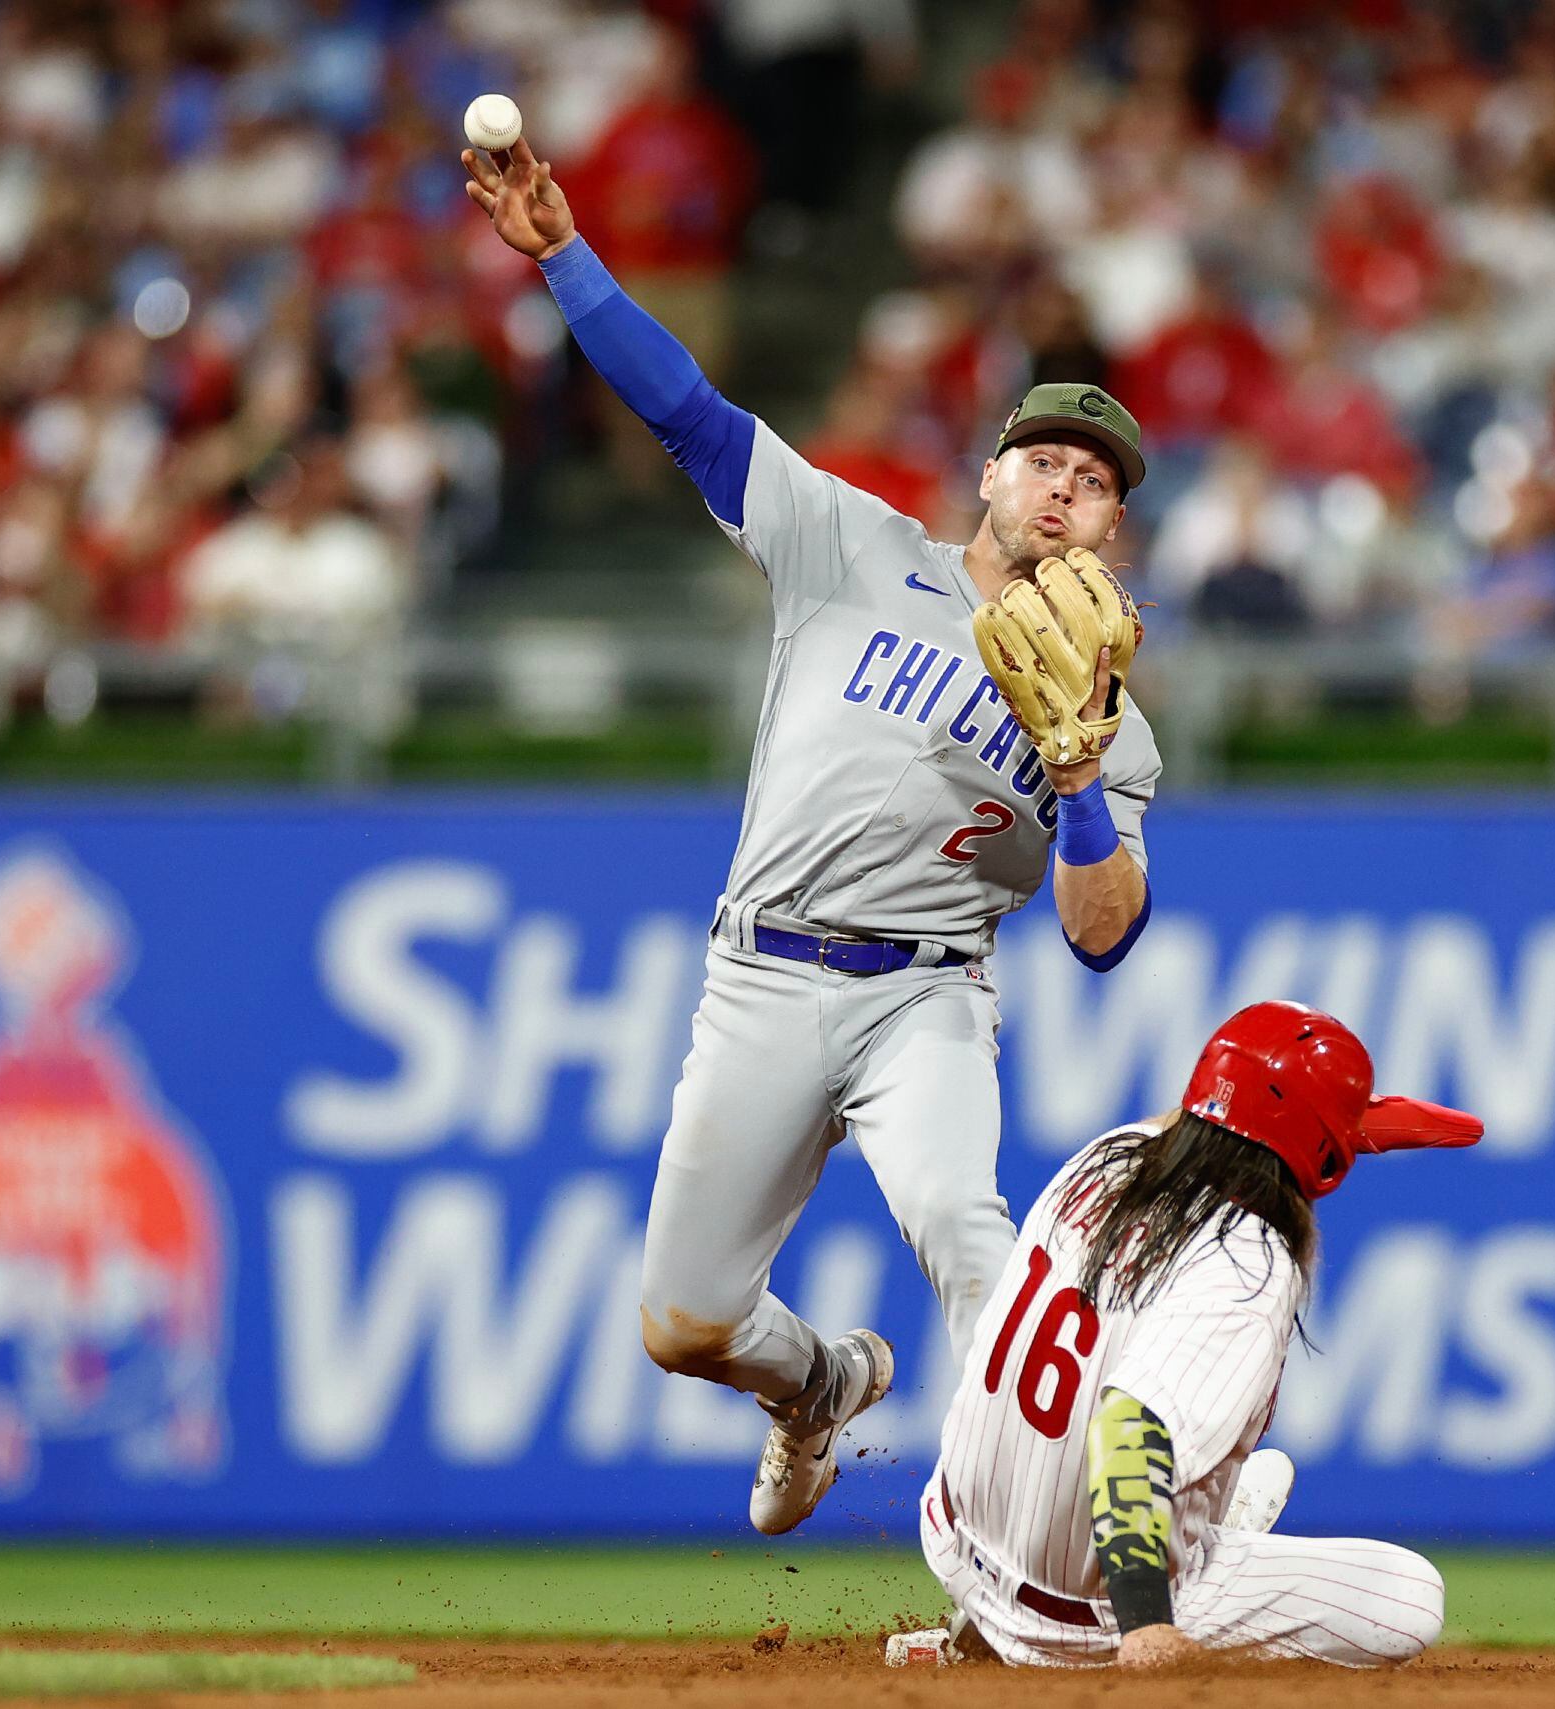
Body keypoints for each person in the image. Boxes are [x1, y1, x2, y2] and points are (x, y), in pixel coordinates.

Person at [463, 136, 1160, 1534]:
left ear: (1114, 529)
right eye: (1045, 458)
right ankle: (821, 1386)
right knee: (686, 1319)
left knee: (977, 1238)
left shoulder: (1118, 722)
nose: (1067, 484)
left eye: (1097, 477)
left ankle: (1030, 1547)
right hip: (762, 980)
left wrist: (1078, 775)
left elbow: (1101, 934)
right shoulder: (854, 545)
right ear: (991, 476)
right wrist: (562, 256)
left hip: (924, 998)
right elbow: (693, 417)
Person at [919, 1001, 1481, 1667]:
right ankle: (1151, 1574)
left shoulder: (1109, 1155)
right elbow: (1127, 1430)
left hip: (957, 1538)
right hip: (1083, 1621)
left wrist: (1338, 1119)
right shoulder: (1250, 1262)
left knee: (1212, 1446)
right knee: (1410, 1597)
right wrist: (1145, 1625)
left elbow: (1223, 1120)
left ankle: (980, 1626)